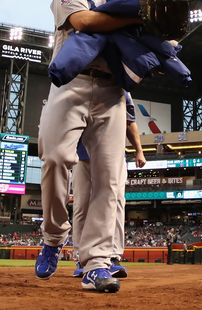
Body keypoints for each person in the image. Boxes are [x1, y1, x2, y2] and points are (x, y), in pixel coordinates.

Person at [35, 0, 141, 294]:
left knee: (109, 179)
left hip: (112, 93)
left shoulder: (126, 2)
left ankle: (96, 262)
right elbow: (82, 21)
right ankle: (53, 236)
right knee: (53, 157)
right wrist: (131, 20)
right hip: (71, 83)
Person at [72, 92, 146, 280]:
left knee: (117, 204)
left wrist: (139, 150)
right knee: (81, 206)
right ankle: (82, 259)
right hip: (81, 156)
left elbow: (130, 122)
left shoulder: (123, 91)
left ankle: (112, 256)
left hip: (114, 157)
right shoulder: (81, 85)